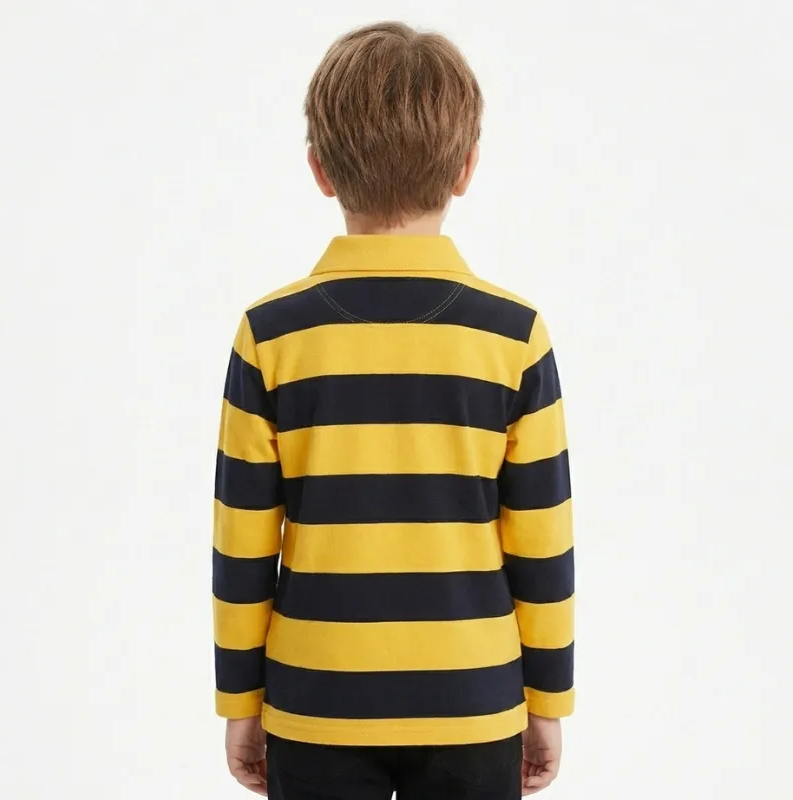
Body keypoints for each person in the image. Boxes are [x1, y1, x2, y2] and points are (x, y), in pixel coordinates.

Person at [212, 21, 574, 799]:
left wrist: (241, 702)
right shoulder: (513, 336)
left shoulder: (270, 335)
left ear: (319, 168)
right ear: (467, 167)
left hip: (315, 701)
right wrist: (547, 701)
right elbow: (542, 544)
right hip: (475, 701)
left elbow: (242, 545)